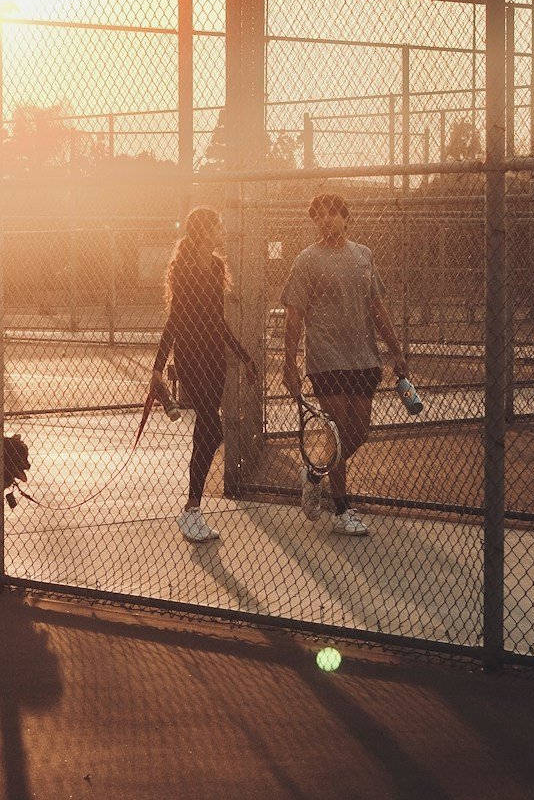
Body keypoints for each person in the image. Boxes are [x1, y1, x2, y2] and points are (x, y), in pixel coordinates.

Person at [280, 192, 409, 537]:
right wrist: (289, 362)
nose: (327, 220)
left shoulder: (363, 256)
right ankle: (341, 509)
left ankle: (315, 473)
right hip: (326, 358)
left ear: (346, 218)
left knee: (359, 431)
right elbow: (295, 315)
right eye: (320, 216)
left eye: (334, 214)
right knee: (337, 429)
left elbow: (378, 308)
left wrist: (396, 350)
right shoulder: (306, 261)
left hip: (363, 357)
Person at [149, 207, 256, 543]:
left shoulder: (217, 266)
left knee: (206, 430)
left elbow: (218, 320)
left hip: (214, 357)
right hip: (191, 356)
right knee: (212, 426)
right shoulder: (182, 269)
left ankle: (192, 511)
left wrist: (242, 356)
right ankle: (191, 508)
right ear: (202, 231)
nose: (220, 230)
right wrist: (158, 365)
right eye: (216, 226)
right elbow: (175, 320)